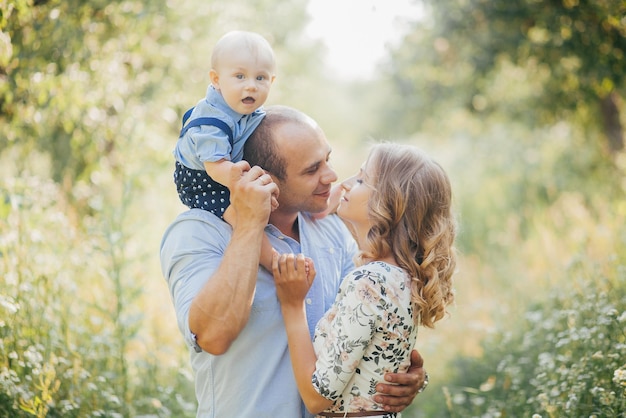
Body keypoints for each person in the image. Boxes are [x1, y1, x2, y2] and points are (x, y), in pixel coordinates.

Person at [160, 105, 428, 417]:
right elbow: (213, 337)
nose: (331, 176)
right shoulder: (199, 232)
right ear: (263, 179)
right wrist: (249, 224)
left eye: (326, 159)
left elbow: (363, 326)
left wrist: (403, 378)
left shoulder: (329, 227)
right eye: (311, 170)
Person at [272, 143, 457, 417]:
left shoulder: (369, 282)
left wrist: (292, 305)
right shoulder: (402, 277)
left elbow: (316, 398)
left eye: (361, 180)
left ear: (389, 204)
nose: (344, 184)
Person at [172, 30, 277, 269]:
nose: (251, 86)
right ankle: (273, 261)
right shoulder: (212, 121)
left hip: (223, 164)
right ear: (216, 80)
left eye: (260, 78)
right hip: (201, 178)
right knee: (243, 217)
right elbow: (216, 168)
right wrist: (253, 190)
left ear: (271, 81)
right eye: (240, 76)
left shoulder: (242, 105)